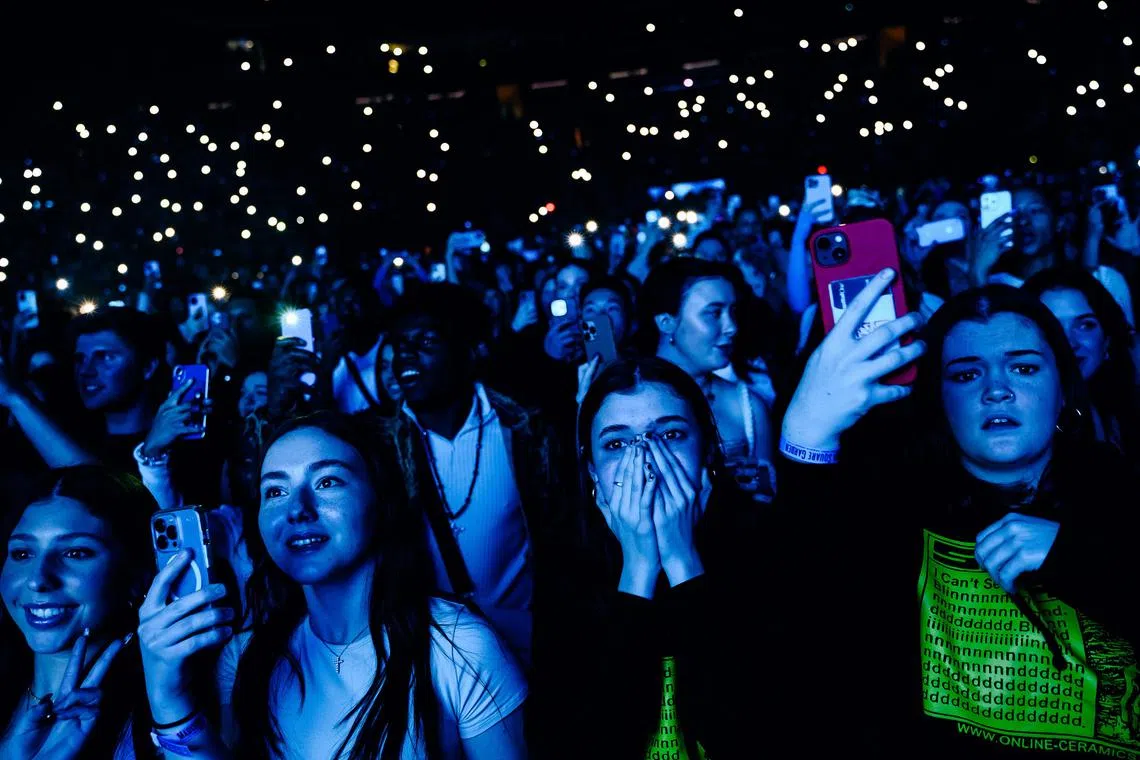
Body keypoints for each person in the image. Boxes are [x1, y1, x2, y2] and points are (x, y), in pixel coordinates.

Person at [778, 272, 1140, 757]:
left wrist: (1072, 555)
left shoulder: (1120, 489)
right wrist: (806, 441)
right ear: (940, 400)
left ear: (1062, 390)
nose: (996, 390)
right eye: (967, 374)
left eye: (1024, 369)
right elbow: (799, 624)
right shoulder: (891, 507)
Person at [136, 412, 527, 759]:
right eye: (275, 491)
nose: (297, 509)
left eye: (327, 481)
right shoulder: (245, 658)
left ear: (381, 500)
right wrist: (168, 695)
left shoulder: (459, 646)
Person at [532, 357, 771, 758]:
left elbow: (740, 733)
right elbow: (590, 742)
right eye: (616, 444)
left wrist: (683, 562)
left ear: (708, 451)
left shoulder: (764, 546)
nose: (645, 462)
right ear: (592, 471)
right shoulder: (565, 561)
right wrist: (638, 571)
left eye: (671, 435)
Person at [379, 285, 563, 666]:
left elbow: (564, 540)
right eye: (399, 344)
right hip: (433, 659)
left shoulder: (526, 431)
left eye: (426, 340)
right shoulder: (381, 446)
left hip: (530, 649)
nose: (405, 355)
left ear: (469, 351)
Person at [0, 466, 156, 759]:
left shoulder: (167, 719)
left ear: (138, 577)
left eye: (76, 553)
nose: (37, 579)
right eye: (22, 553)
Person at [640, 258, 773, 499]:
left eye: (733, 312)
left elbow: (767, 497)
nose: (731, 327)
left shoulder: (746, 405)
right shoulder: (627, 400)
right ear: (666, 321)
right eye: (714, 313)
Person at [1024, 265, 1140, 457]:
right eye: (1052, 326)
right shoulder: (1030, 428)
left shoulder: (1122, 411)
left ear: (1107, 341)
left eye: (1086, 325)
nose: (1070, 342)